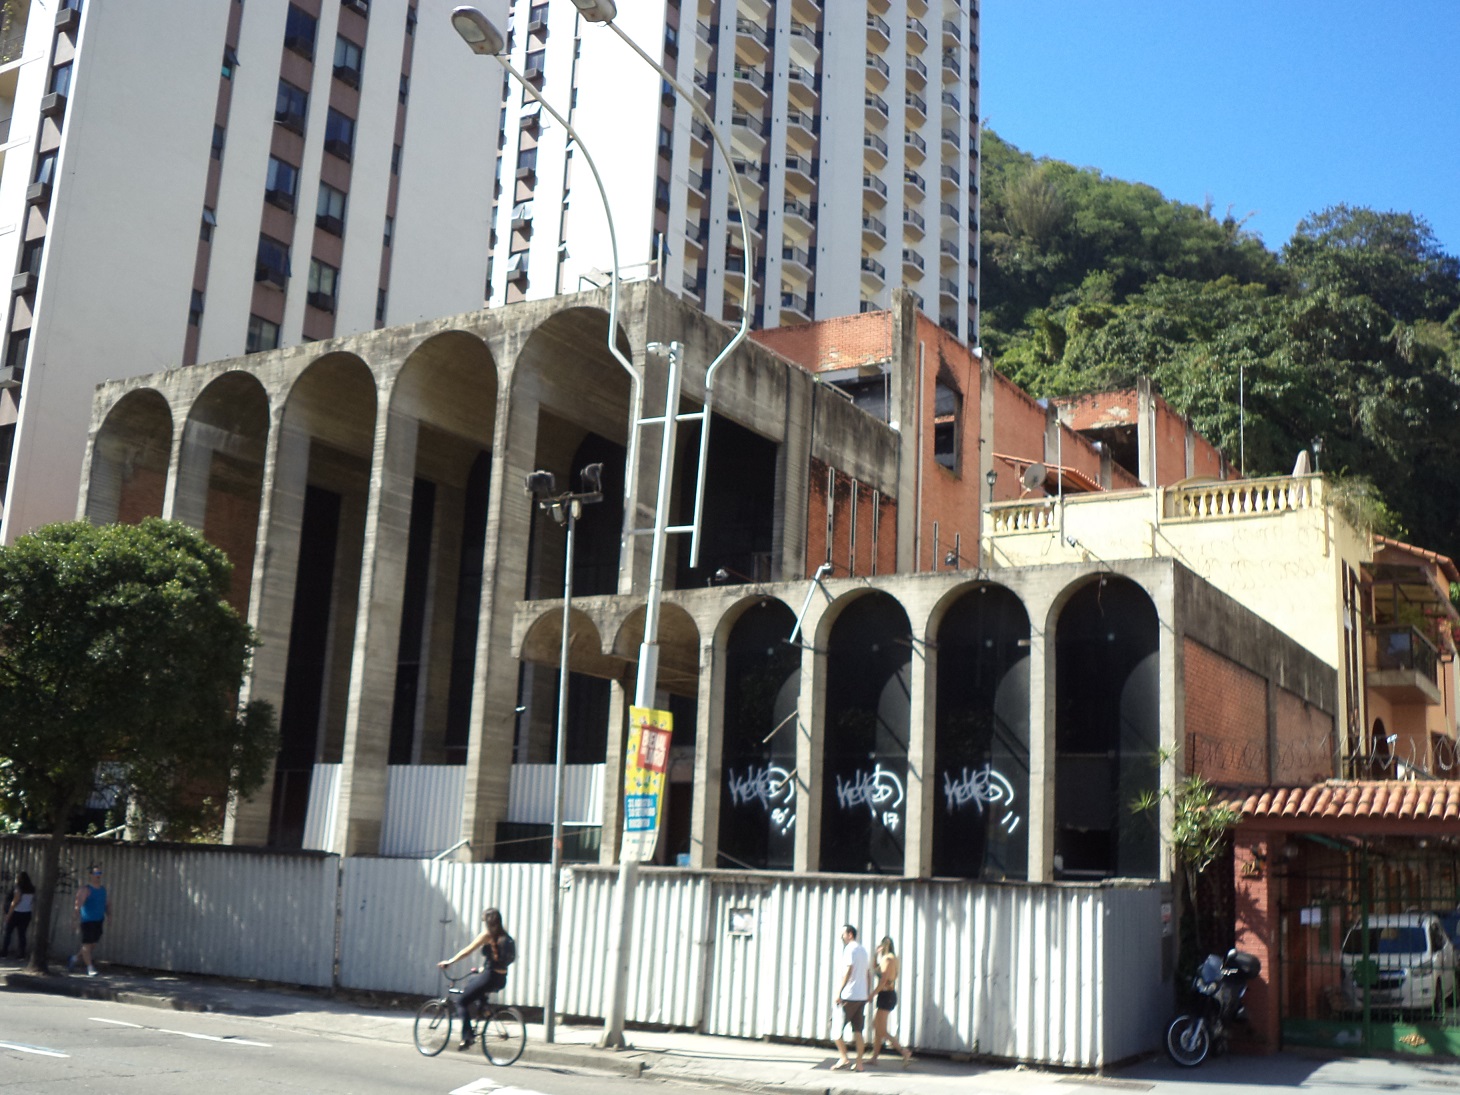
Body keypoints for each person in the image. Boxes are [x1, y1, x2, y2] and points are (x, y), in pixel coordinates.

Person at [437, 907, 516, 1051]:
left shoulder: (488, 935)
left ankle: (467, 1038)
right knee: (474, 979)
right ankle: (484, 1008)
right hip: (501, 979)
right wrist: (483, 969)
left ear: (487, 922)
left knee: (461, 1002)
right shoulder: (505, 936)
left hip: (489, 977)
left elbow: (467, 951)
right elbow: (498, 961)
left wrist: (450, 961)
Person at [831, 923, 873, 1071]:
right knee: (858, 1031)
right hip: (861, 997)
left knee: (835, 1030)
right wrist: (867, 992)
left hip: (849, 996)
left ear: (850, 935)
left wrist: (839, 992)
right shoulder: (863, 950)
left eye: (843, 934)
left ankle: (844, 1058)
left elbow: (848, 971)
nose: (842, 936)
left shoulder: (850, 949)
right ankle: (859, 1064)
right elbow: (868, 973)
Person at [868, 935, 912, 1067]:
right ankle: (874, 1058)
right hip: (888, 995)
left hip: (886, 995)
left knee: (880, 1029)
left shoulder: (887, 959)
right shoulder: (893, 959)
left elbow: (883, 980)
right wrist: (875, 956)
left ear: (883, 946)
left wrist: (872, 994)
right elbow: (877, 970)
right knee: (877, 1027)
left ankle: (904, 1051)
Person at [68, 864, 108, 976]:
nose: (98, 876)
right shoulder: (85, 889)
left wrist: (109, 916)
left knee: (92, 945)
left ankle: (75, 958)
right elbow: (78, 905)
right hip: (87, 921)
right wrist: (75, 920)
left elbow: (106, 903)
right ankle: (90, 968)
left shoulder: (102, 890)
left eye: (100, 873)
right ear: (90, 875)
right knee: (87, 945)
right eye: (96, 873)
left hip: (99, 920)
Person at [2, 871, 35, 958]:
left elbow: (14, 902)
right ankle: (21, 953)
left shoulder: (18, 888)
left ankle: (4, 952)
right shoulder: (31, 889)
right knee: (22, 934)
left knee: (8, 932)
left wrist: (8, 914)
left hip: (16, 913)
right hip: (27, 913)